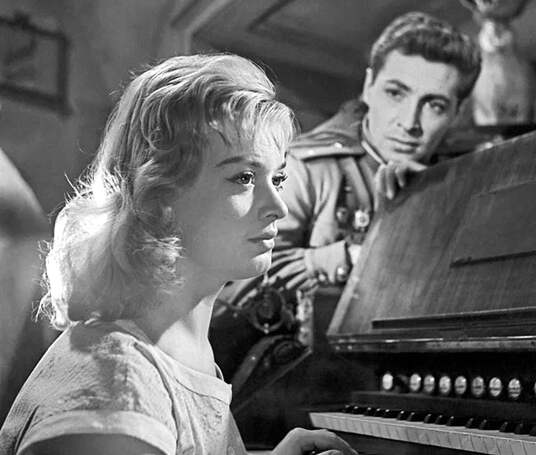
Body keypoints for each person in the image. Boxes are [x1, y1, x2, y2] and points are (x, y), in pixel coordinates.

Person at [0, 54, 357, 455]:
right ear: (160, 195)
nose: (279, 206)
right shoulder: (117, 388)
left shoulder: (182, 349)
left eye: (278, 178)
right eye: (244, 177)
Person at [212, 10, 482, 442]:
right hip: (296, 393)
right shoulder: (305, 166)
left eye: (434, 105)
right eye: (396, 92)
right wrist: (360, 255)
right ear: (369, 85)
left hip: (415, 385)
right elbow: (241, 281)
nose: (409, 122)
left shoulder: (460, 183)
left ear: (457, 112)